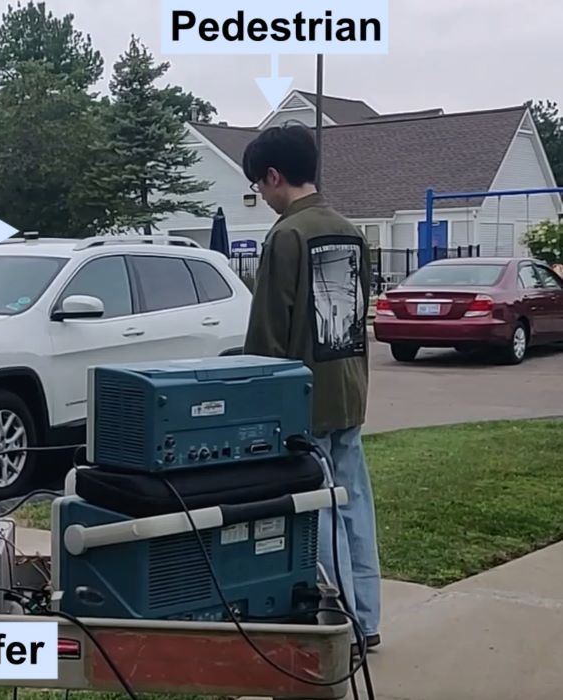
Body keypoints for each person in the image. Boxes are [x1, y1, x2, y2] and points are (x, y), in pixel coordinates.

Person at [240, 124, 381, 652]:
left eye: (259, 185)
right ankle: (368, 617)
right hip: (349, 392)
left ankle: (341, 621)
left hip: (304, 402)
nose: (262, 196)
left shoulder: (286, 236)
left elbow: (269, 336)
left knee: (319, 512)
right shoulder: (349, 231)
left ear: (275, 176)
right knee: (356, 507)